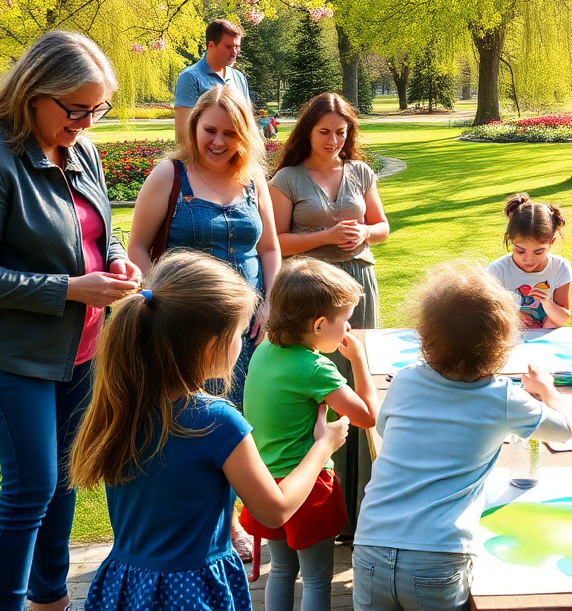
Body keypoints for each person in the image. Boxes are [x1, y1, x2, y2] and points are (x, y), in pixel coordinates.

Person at [0, 30, 142, 611]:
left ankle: (50, 600)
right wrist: (73, 288)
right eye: (75, 109)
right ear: (34, 93)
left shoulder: (82, 150)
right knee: (31, 486)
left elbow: (95, 235)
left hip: (79, 348)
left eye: (96, 109)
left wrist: (114, 261)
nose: (86, 122)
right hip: (10, 354)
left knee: (64, 483)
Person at [71, 250, 350, 611]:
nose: (244, 344)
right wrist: (323, 448)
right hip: (194, 589)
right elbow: (275, 510)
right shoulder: (216, 421)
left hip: (126, 585)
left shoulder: (122, 404)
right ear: (209, 347)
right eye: (239, 334)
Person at [351, 264, 572, 611]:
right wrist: (548, 391)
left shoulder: (406, 379)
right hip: (438, 556)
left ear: (425, 336)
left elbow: (384, 431)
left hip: (371, 547)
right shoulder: (501, 396)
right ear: (502, 343)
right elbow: (564, 430)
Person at [270, 92, 390, 537]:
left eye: (341, 132)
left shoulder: (360, 172)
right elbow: (276, 241)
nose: (334, 140)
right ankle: (318, 504)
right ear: (308, 131)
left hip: (358, 286)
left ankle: (362, 508)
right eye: (325, 132)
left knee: (361, 385)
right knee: (320, 390)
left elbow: (383, 227)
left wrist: (364, 232)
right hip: (311, 292)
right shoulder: (288, 178)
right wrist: (324, 234)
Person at [127, 85, 281, 409]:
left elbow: (269, 248)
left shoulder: (253, 180)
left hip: (247, 328)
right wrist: (159, 303)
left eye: (230, 132)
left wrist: (271, 304)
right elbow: (137, 248)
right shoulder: (168, 176)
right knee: (191, 418)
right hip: (186, 329)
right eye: (209, 130)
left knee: (245, 417)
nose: (218, 142)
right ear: (193, 125)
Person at [240, 258, 380, 611]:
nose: (349, 328)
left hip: (266, 485)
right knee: (317, 579)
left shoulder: (265, 350)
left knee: (284, 571)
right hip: (307, 489)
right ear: (319, 324)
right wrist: (359, 359)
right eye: (346, 319)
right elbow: (367, 416)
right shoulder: (316, 369)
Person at [487, 193, 572, 329]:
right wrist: (514, 320)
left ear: (552, 242)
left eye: (538, 251)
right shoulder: (497, 270)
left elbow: (562, 319)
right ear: (510, 239)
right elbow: (489, 317)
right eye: (520, 251)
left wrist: (546, 302)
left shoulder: (560, 267)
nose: (529, 259)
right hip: (509, 345)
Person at [174, 19, 252, 148]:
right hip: (201, 161)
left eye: (237, 47)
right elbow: (184, 133)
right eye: (228, 47)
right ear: (211, 45)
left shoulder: (239, 78)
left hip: (233, 159)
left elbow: (247, 124)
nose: (234, 52)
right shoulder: (190, 77)